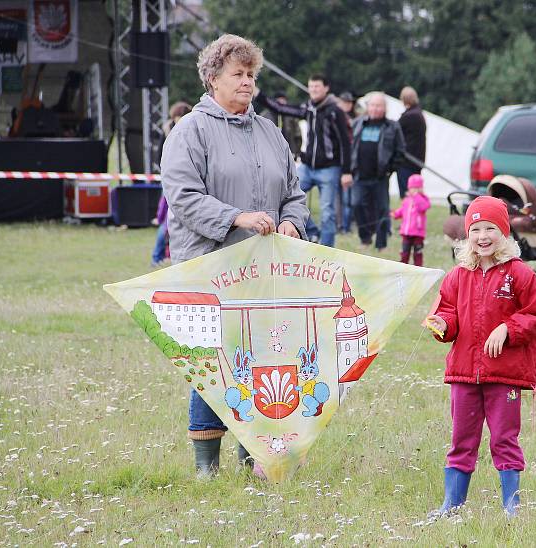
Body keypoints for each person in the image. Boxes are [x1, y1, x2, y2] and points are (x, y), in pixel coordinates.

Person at [161, 34, 309, 478]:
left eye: (251, 76)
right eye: (238, 75)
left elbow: (294, 194)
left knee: (263, 359)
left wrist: (291, 223)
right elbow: (183, 197)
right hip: (209, 266)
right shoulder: (189, 130)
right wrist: (236, 217)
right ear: (212, 79)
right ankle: (207, 466)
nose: (247, 83)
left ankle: (256, 453)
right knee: (214, 365)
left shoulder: (270, 132)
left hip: (264, 271)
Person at [425, 196, 536, 517]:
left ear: (504, 233)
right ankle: (452, 504)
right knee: (461, 440)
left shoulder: (519, 274)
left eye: (490, 228)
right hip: (464, 374)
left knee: (504, 439)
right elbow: (448, 316)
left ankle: (512, 505)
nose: (483, 236)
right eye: (476, 229)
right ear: (468, 235)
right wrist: (442, 325)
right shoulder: (457, 275)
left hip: (504, 374)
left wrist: (508, 328)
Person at [257, 74, 352, 247]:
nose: (313, 90)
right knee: (283, 196)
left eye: (317, 86)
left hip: (329, 169)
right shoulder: (308, 109)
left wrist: (346, 171)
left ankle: (327, 253)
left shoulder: (335, 111)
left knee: (328, 213)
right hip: (308, 167)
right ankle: (312, 232)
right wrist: (259, 95)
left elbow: (346, 142)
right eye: (311, 86)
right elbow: (281, 108)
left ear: (326, 88)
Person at [350, 92, 405, 251]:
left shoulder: (392, 127)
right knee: (357, 205)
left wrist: (389, 169)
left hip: (380, 177)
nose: (375, 109)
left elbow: (400, 151)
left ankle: (381, 244)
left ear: (385, 108)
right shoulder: (358, 123)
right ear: (368, 107)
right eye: (372, 105)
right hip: (359, 175)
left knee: (382, 209)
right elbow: (349, 146)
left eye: (378, 106)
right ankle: (365, 238)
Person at [390, 173, 431, 265]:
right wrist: (395, 214)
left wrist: (417, 196)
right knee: (405, 251)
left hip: (417, 232)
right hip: (406, 232)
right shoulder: (407, 200)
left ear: (420, 188)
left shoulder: (423, 199)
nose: (413, 190)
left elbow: (424, 207)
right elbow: (402, 210)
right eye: (412, 188)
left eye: (416, 188)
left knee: (417, 251)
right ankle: (403, 264)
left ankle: (418, 266)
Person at [396, 86, 427, 199]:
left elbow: (395, 132)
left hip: (407, 161)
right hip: (417, 160)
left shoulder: (408, 116)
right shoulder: (419, 114)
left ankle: (409, 214)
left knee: (407, 194)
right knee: (416, 192)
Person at [255, 91, 302, 157]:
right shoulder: (264, 116)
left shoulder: (292, 117)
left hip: (290, 153)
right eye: (279, 100)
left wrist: (297, 152)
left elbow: (298, 135)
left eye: (284, 100)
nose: (282, 103)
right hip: (270, 154)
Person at [336, 91, 358, 234]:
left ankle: (346, 225)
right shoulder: (336, 118)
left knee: (349, 198)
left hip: (352, 163)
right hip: (339, 162)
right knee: (340, 198)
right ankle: (340, 225)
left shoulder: (356, 119)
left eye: (349, 102)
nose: (347, 105)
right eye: (345, 102)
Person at [150, 195, 169, 267]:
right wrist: (160, 219)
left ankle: (158, 259)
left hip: (167, 223)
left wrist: (159, 219)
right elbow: (162, 208)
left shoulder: (167, 193)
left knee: (162, 242)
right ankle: (156, 259)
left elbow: (162, 208)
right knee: (161, 242)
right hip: (167, 224)